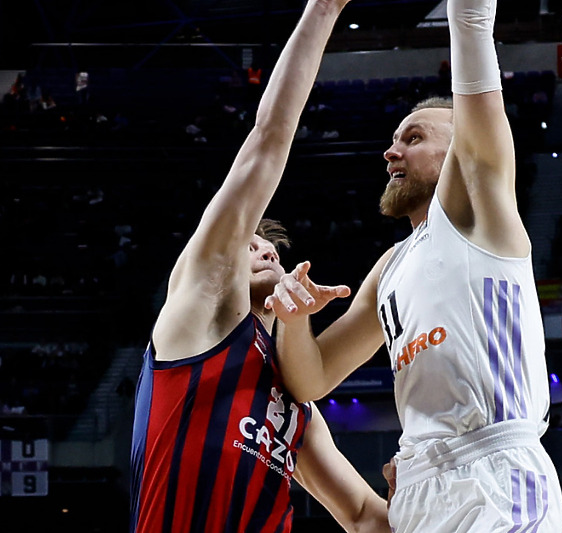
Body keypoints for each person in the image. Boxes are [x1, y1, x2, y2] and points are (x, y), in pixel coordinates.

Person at [266, 0, 562, 530]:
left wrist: (466, 15)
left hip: (495, 474)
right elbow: (312, 381)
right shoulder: (389, 267)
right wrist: (293, 322)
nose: (391, 151)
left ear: (457, 154)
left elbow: (477, 83)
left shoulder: (481, 216)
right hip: (417, 487)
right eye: (394, 139)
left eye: (414, 137)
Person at [129, 1, 390, 532]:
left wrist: (431, 496)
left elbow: (364, 516)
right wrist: (322, 10)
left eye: (272, 248)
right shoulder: (199, 315)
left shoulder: (297, 402)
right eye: (250, 246)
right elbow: (267, 143)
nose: (268, 250)